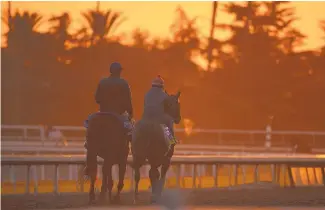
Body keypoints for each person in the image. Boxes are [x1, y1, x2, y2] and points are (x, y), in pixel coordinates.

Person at [142, 75, 176, 147]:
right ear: (162, 86)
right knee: (169, 122)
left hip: (146, 118)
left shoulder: (146, 94)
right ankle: (171, 140)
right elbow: (167, 109)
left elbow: (145, 106)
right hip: (159, 118)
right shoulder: (164, 95)